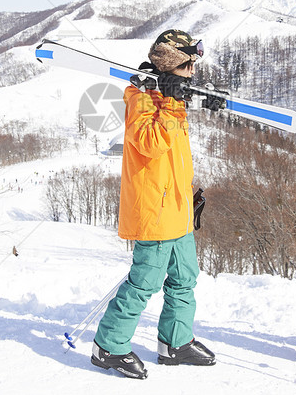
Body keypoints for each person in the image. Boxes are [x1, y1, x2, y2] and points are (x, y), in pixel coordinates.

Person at [91, 30, 216, 380]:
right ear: (172, 64)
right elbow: (149, 143)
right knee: (145, 281)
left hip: (176, 207)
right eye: (188, 63)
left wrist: (186, 195)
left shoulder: (170, 94)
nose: (193, 70)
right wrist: (172, 102)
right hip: (155, 211)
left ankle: (175, 342)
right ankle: (108, 346)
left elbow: (175, 155)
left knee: (184, 277)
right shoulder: (141, 98)